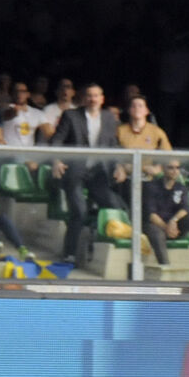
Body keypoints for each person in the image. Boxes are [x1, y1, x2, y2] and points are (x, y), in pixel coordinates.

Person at [49, 83, 128, 264]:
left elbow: (112, 145)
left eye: (96, 96)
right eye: (89, 95)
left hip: (98, 173)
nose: (93, 99)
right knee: (79, 211)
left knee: (114, 204)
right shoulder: (71, 115)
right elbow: (57, 140)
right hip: (75, 171)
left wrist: (118, 166)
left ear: (102, 99)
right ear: (84, 98)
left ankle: (105, 249)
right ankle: (69, 253)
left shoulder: (108, 117)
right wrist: (56, 160)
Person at [144, 159, 189, 266]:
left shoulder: (181, 187)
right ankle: (165, 265)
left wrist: (173, 221)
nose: (175, 171)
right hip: (157, 226)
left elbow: (185, 209)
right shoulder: (151, 187)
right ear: (163, 169)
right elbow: (151, 214)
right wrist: (166, 227)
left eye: (177, 168)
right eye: (171, 168)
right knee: (155, 232)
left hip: (175, 228)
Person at [1, 82, 46, 149]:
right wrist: (14, 112)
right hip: (9, 151)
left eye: (23, 91)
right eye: (16, 91)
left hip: (28, 152)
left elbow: (48, 132)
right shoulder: (5, 108)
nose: (19, 94)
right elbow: (9, 114)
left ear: (28, 94)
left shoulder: (37, 113)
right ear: (12, 94)